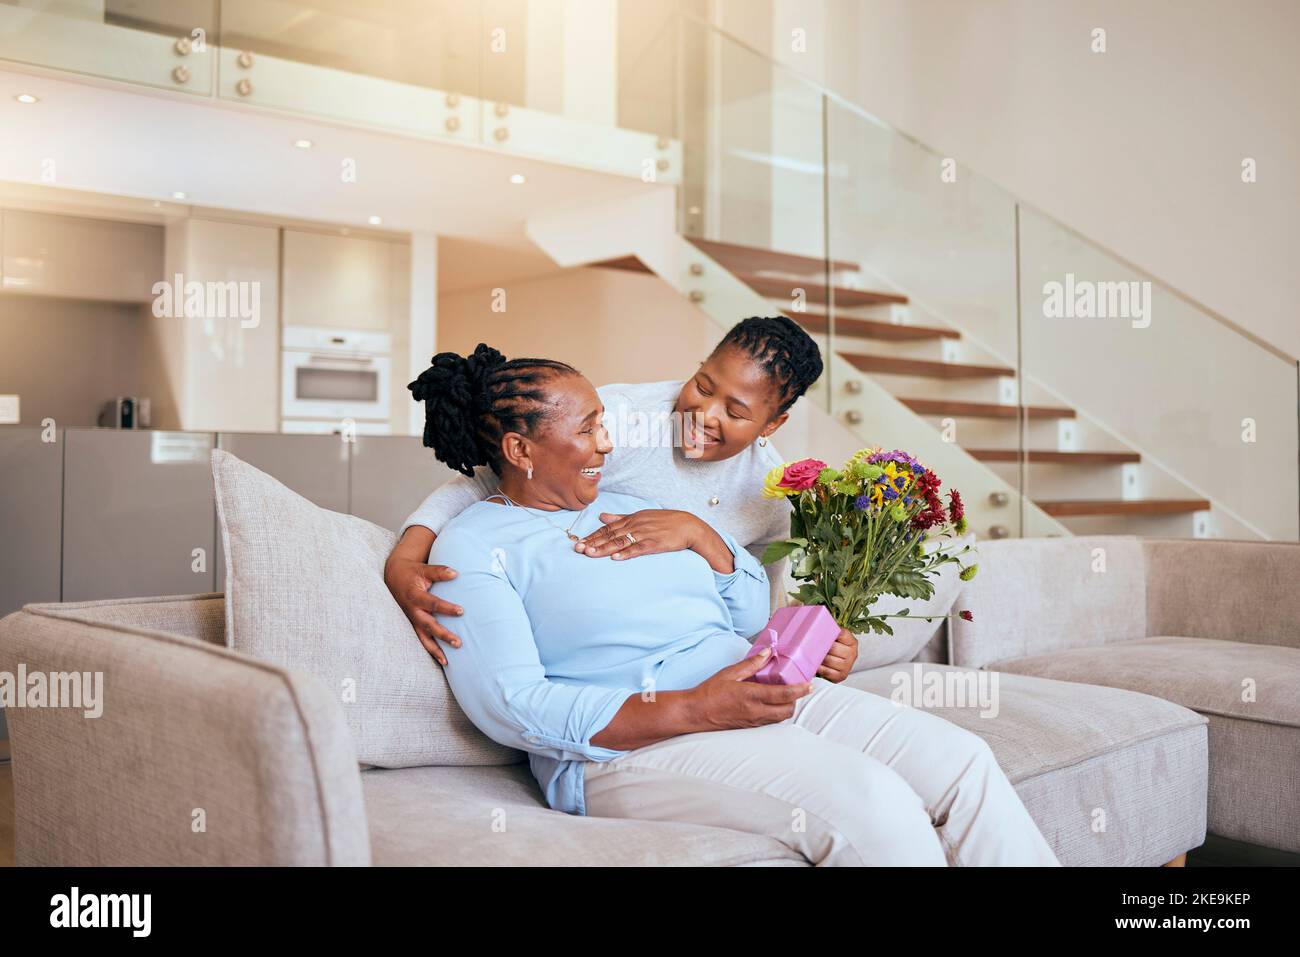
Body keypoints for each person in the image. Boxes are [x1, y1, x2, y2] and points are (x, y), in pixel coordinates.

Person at [406, 342, 1061, 866]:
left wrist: (708, 541)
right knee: (876, 802)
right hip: (627, 750)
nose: (609, 443)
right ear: (519, 450)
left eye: (604, 424)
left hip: (750, 689)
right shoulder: (471, 548)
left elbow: (748, 613)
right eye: (588, 429)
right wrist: (695, 706)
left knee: (963, 762)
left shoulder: (630, 502)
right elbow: (512, 705)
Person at [385, 316, 857, 677]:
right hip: (590, 640)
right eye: (703, 386)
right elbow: (492, 478)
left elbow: (759, 606)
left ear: (772, 425)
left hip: (688, 654)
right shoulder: (623, 418)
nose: (702, 413)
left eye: (734, 412)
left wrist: (819, 647)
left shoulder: (771, 492)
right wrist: (405, 558)